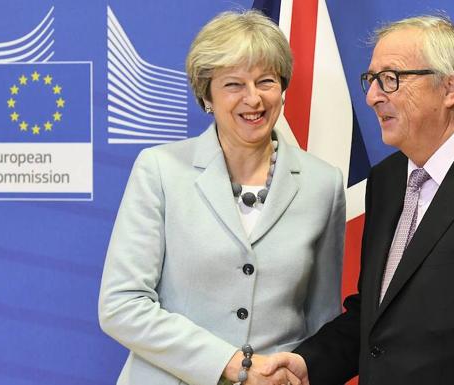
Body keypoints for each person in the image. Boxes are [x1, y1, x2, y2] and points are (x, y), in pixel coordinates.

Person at [263, 15, 454, 385]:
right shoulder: (386, 181)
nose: (371, 96)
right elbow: (377, 316)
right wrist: (310, 364)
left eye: (390, 79)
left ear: (450, 88)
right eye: (371, 80)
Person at [98, 10, 345, 385]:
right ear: (206, 94)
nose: (253, 99)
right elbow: (121, 305)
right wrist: (233, 365)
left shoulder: (323, 184)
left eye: (266, 81)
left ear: (282, 88)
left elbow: (320, 321)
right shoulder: (160, 170)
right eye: (233, 84)